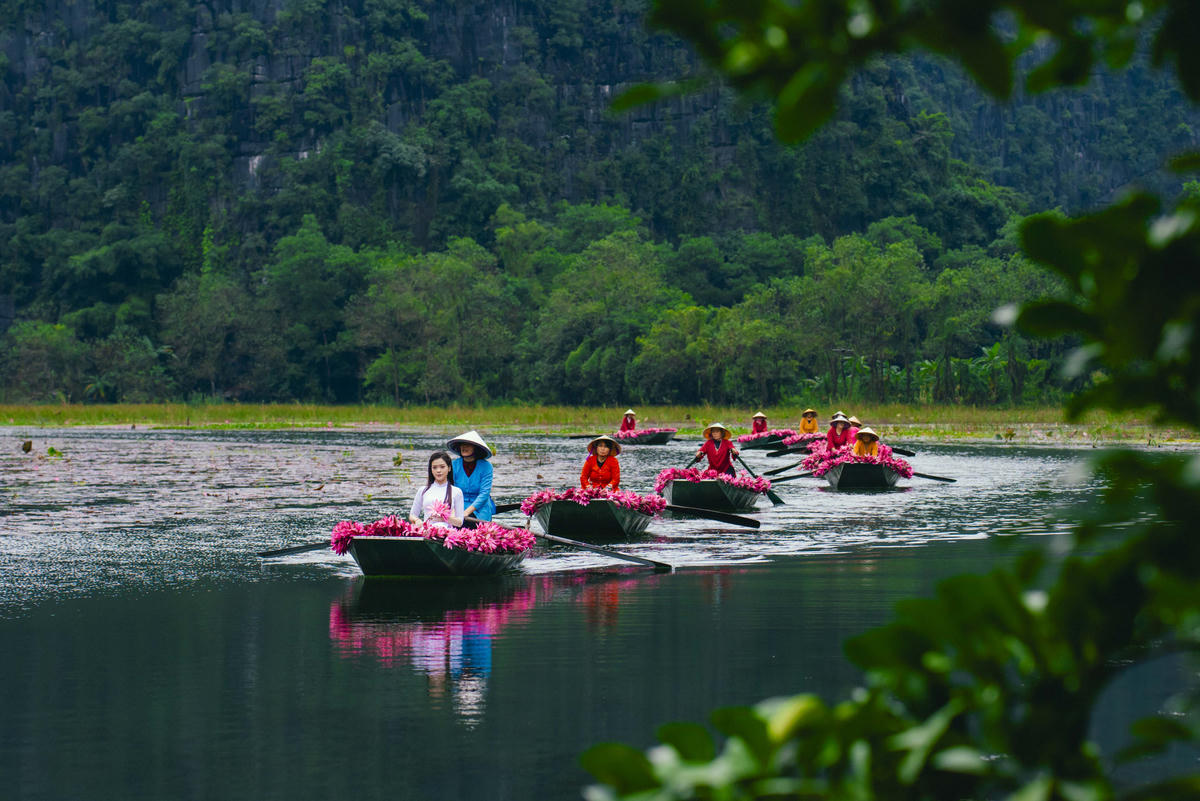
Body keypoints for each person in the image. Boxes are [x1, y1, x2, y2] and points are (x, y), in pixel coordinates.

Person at [448, 430, 496, 522]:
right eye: (462, 445)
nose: (464, 447)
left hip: (480, 507)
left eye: (468, 445)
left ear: (476, 448)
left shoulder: (486, 466)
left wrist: (466, 512)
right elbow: (450, 491)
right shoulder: (454, 465)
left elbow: (484, 494)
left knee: (470, 522)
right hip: (459, 504)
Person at [410, 451, 465, 527]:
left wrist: (445, 518)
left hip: (447, 534)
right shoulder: (423, 490)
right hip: (427, 533)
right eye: (434, 467)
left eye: (442, 467)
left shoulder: (456, 491)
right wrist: (417, 520)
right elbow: (412, 515)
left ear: (449, 468)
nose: (438, 471)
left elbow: (459, 522)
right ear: (431, 469)